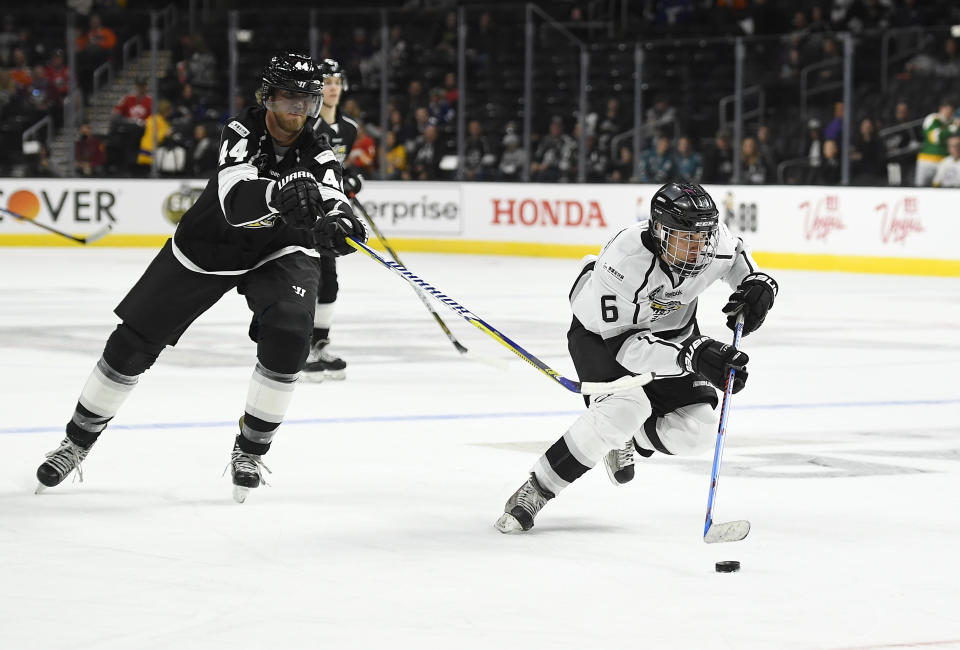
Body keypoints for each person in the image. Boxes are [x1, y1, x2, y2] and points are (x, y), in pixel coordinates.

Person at [34, 52, 366, 502]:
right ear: (267, 97)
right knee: (131, 344)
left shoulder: (319, 147)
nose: (298, 109)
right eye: (289, 97)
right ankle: (75, 444)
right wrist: (281, 191)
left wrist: (340, 221)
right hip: (207, 246)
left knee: (290, 331)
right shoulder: (241, 132)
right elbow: (234, 202)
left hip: (279, 248)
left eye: (306, 100)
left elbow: (331, 191)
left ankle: (251, 450)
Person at [494, 182, 778, 533]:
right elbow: (628, 349)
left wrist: (757, 283)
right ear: (659, 231)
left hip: (673, 334)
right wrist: (694, 354)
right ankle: (537, 488)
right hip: (602, 336)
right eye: (686, 239)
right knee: (623, 409)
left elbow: (736, 258)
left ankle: (630, 438)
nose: (699, 252)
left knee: (699, 432)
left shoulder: (710, 241)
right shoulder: (622, 262)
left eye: (703, 239)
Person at [305, 58, 361, 381]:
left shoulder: (350, 129)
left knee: (329, 280)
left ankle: (319, 343)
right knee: (305, 279)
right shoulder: (308, 125)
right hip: (305, 212)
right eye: (327, 82)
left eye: (337, 82)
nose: (333, 88)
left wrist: (351, 180)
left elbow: (338, 168)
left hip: (329, 213)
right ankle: (299, 347)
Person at [915, 98, 959, 187]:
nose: (949, 113)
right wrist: (953, 128)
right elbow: (935, 138)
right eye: (948, 110)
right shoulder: (933, 119)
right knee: (920, 187)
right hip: (927, 161)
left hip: (943, 162)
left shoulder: (952, 122)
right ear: (941, 109)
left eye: (951, 111)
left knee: (938, 187)